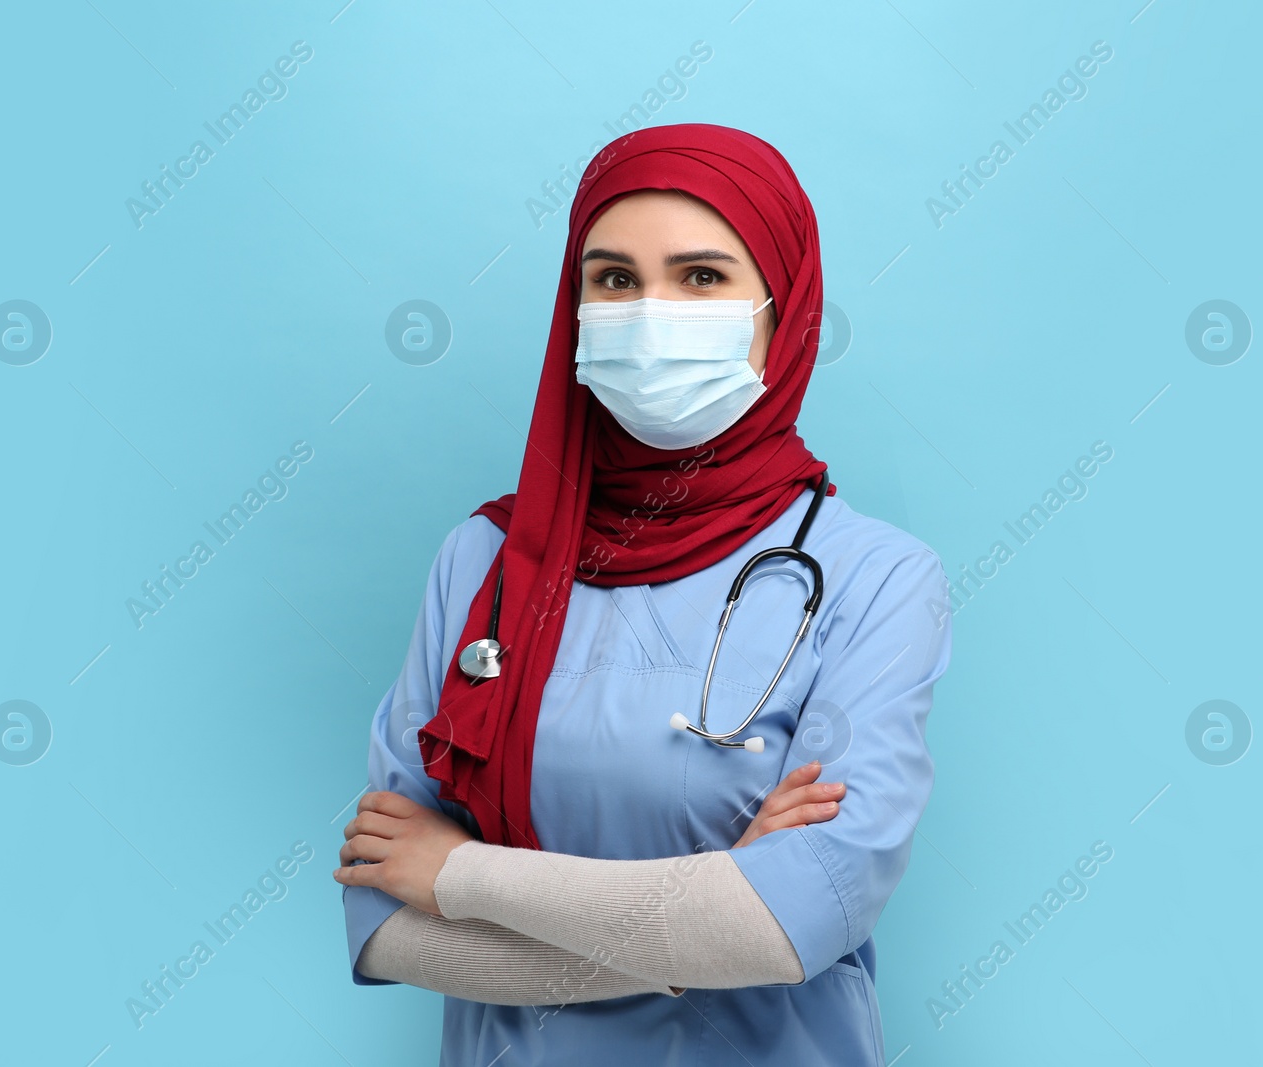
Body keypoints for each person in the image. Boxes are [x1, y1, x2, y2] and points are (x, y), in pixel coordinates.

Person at [335, 122, 953, 1066]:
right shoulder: (483, 562)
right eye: (614, 280)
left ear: (781, 315)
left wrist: (457, 871)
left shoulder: (876, 579)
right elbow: (386, 919)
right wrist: (700, 910)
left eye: (702, 277)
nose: (650, 311)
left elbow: (787, 929)